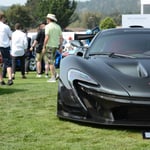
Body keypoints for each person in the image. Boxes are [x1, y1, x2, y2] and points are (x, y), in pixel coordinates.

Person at [42, 14, 63, 82]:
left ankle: (53, 77)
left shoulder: (48, 26)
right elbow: (61, 38)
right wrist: (60, 46)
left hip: (50, 45)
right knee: (52, 61)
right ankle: (56, 74)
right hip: (56, 45)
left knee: (50, 62)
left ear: (49, 19)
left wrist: (44, 46)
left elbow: (47, 37)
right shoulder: (58, 26)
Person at [0, 11, 13, 85]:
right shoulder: (6, 27)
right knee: (8, 64)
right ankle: (10, 79)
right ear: (2, 18)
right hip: (5, 46)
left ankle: (1, 80)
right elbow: (11, 36)